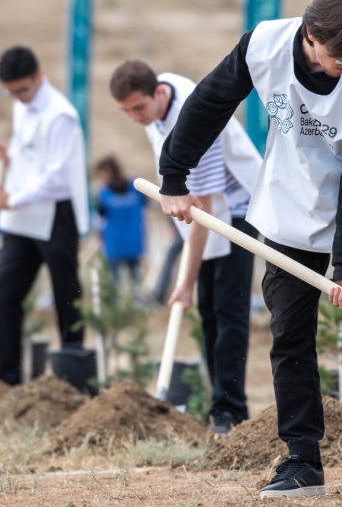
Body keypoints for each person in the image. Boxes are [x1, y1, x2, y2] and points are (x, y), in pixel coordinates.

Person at [155, 0, 342, 497]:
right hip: (288, 211)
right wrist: (174, 176)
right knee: (289, 341)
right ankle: (302, 461)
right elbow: (208, 103)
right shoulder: (263, 46)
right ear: (311, 35)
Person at [110, 60, 263, 434]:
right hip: (205, 215)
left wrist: (184, 280)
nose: (134, 117)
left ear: (158, 93)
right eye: (125, 111)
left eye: (138, 108)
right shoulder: (154, 111)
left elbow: (206, 208)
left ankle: (231, 410)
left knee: (227, 312)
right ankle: (218, 406)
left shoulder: (195, 116)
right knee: (209, 313)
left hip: (238, 210)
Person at [0, 46, 89, 386]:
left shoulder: (61, 115)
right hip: (20, 219)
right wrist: (8, 156)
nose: (17, 97)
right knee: (4, 292)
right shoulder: (20, 107)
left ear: (39, 76)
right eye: (10, 92)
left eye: (22, 90)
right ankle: (6, 377)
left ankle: (73, 377)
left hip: (55, 214)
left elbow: (55, 177)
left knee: (65, 295)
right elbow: (30, 154)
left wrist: (10, 199)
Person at [93, 156, 145, 289]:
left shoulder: (103, 193)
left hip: (114, 242)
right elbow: (146, 206)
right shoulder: (136, 187)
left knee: (115, 284)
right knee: (136, 281)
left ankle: (119, 309)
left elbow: (99, 217)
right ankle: (137, 307)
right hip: (133, 240)